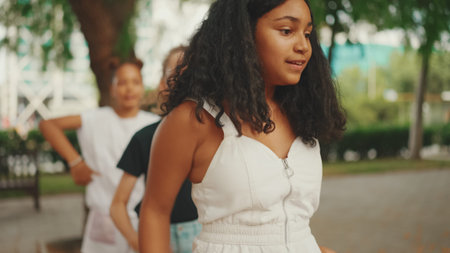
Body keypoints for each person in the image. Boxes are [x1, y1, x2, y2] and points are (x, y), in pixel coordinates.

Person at [139, 0, 346, 252]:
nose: (303, 46)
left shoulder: (301, 114)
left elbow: (288, 222)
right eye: (286, 31)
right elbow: (155, 212)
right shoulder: (194, 120)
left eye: (307, 34)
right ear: (244, 33)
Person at [39, 58, 160, 253]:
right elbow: (47, 125)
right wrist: (76, 162)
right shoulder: (95, 119)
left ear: (143, 87)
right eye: (122, 83)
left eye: (135, 82)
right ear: (112, 89)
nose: (129, 89)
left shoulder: (154, 124)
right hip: (104, 221)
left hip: (143, 221)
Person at [110, 46, 200, 253]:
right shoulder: (144, 138)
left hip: (201, 234)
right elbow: (117, 206)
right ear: (162, 84)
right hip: (158, 237)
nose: (186, 78)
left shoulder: (214, 137)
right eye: (177, 71)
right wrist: (138, 242)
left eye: (193, 71)